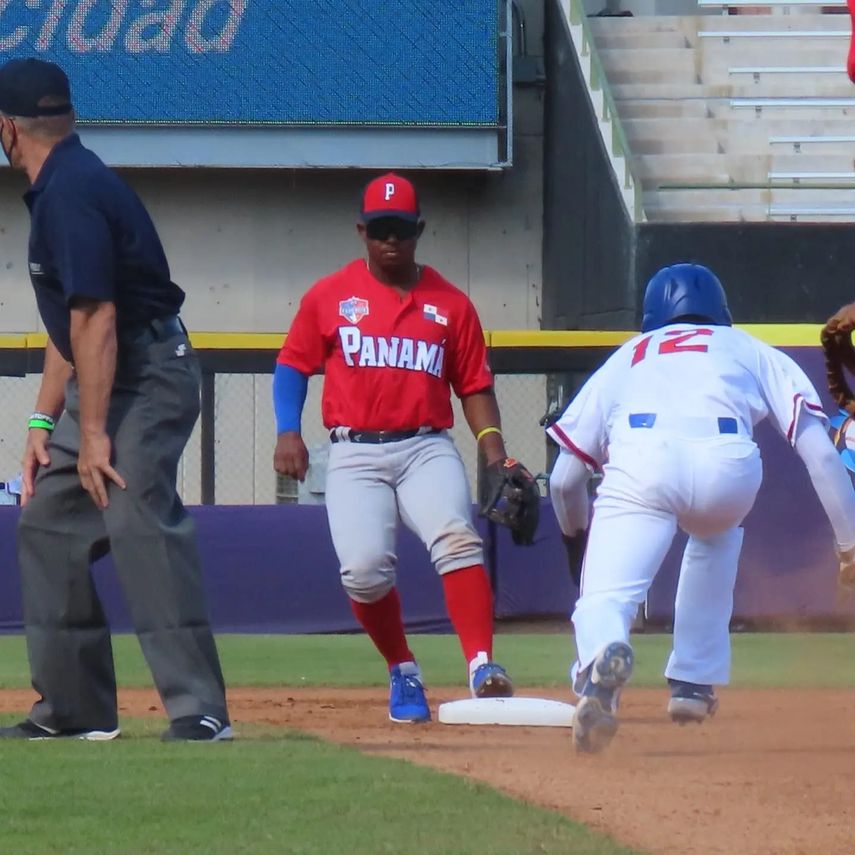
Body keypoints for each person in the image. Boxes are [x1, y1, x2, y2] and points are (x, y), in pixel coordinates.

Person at [0, 58, 231, 741]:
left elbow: (97, 317)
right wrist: (47, 420)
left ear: (8, 128)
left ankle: (199, 708)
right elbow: (69, 325)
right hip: (106, 375)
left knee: (134, 514)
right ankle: (71, 709)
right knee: (46, 519)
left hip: (150, 371)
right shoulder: (63, 181)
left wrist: (93, 431)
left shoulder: (70, 190)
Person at [547, 263, 855, 753]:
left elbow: (565, 480)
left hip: (642, 462)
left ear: (651, 317)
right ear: (721, 312)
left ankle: (602, 655)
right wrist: (849, 545)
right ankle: (692, 683)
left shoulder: (629, 355)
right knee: (718, 534)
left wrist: (575, 540)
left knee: (605, 599)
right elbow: (819, 453)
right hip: (727, 467)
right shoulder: (749, 348)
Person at [273, 173, 531, 722]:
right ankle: (402, 668)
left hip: (425, 446)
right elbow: (293, 364)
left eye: (402, 230)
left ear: (419, 231)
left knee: (458, 541)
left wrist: (495, 455)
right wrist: (286, 430)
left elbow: (475, 387)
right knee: (364, 572)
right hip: (353, 451)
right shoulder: (330, 295)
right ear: (362, 231)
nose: (391, 240)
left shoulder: (451, 305)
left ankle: (482, 663)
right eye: (380, 229)